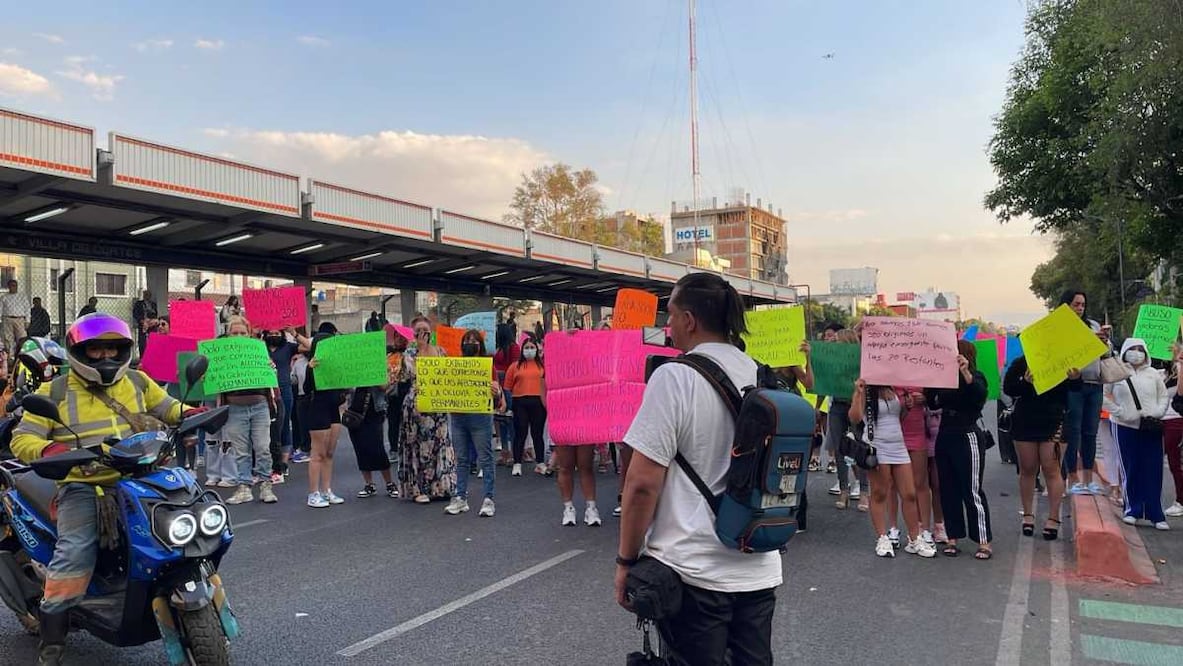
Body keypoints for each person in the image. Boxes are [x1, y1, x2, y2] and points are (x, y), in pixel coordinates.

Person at [617, 273, 778, 665]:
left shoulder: (674, 377)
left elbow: (642, 483)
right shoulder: (762, 374)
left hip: (693, 571)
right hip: (758, 566)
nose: (668, 326)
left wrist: (626, 561)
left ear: (689, 320)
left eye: (670, 315)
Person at [10, 313, 188, 665]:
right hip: (84, 486)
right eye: (96, 350)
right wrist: (49, 449)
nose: (106, 356)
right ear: (79, 352)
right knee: (74, 552)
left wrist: (190, 412)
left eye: (112, 349)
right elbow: (22, 439)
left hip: (141, 477)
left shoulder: (137, 380)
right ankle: (52, 645)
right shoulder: (54, 391)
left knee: (184, 529)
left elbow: (168, 408)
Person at [850, 382, 936, 558]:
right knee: (880, 493)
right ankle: (882, 537)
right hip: (877, 445)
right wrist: (858, 394)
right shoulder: (867, 389)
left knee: (909, 493)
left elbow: (898, 418)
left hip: (898, 445)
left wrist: (907, 407)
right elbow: (855, 417)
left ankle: (914, 539)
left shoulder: (893, 388)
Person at [926, 340, 992, 559]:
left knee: (971, 489)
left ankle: (984, 541)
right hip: (946, 434)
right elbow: (933, 402)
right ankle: (953, 538)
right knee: (948, 489)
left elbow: (979, 395)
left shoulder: (976, 376)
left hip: (967, 434)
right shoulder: (945, 379)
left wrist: (965, 373)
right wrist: (931, 377)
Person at [1004, 355, 1080, 540]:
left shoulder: (1065, 360)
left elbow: (1076, 388)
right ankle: (1028, 515)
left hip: (1054, 419)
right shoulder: (1021, 362)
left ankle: (1053, 518)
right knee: (1027, 468)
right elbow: (1008, 388)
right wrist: (1025, 382)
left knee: (1051, 468)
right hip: (1025, 420)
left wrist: (1075, 378)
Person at [1104, 338, 1170, 529]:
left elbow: (1163, 395)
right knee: (1130, 467)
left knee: (1153, 468)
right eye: (1133, 349)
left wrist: (1158, 412)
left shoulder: (1153, 374)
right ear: (1125, 351)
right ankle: (1132, 509)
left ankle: (1156, 513)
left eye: (1140, 349)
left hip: (1150, 426)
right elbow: (1102, 395)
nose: (1137, 353)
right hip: (1124, 426)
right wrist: (1119, 412)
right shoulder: (1116, 371)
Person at [219, 316, 278, 505]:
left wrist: (271, 368)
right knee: (241, 451)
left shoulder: (258, 351)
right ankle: (244, 487)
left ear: (249, 334)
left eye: (242, 333)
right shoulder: (221, 356)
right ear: (228, 335)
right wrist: (208, 376)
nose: (239, 336)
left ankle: (266, 484)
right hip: (235, 408)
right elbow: (213, 381)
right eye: (234, 333)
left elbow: (272, 379)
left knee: (262, 447)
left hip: (259, 407)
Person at [1058, 290, 1111, 495]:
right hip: (1073, 385)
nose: (1080, 308)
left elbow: (1105, 355)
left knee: (1090, 432)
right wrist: (1087, 341)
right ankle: (1072, 478)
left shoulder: (1093, 325)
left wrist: (1104, 342)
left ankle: (1088, 479)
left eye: (1082, 304)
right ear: (1066, 305)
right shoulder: (1060, 329)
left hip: (1095, 384)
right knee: (1073, 431)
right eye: (1076, 304)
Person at [444, 329, 501, 517]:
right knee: (461, 459)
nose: (470, 343)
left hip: (480, 417)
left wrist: (496, 391)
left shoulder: (488, 366)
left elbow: (497, 395)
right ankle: (460, 497)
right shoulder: (455, 365)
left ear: (480, 345)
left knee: (485, 458)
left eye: (474, 341)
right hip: (458, 417)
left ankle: (488, 499)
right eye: (467, 340)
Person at [398, 316, 456, 503]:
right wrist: (421, 348)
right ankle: (417, 489)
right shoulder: (410, 353)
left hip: (437, 404)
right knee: (416, 445)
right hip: (416, 404)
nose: (423, 334)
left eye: (426, 330)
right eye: (419, 331)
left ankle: (440, 486)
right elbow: (410, 374)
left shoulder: (440, 351)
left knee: (440, 443)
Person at [305, 323, 347, 508]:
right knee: (318, 453)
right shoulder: (312, 365)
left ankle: (326, 490)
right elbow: (306, 388)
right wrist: (310, 369)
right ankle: (313, 493)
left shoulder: (337, 365)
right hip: (318, 407)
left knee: (329, 452)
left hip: (333, 409)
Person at [261, 327, 310, 481]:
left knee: (283, 426)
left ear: (282, 334)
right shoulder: (259, 347)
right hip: (264, 390)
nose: (273, 335)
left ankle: (283, 463)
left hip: (284, 390)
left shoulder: (288, 347)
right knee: (266, 427)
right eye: (270, 333)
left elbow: (309, 346)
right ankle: (269, 462)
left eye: (277, 333)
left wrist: (294, 333)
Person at [504, 337, 547, 477]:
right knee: (520, 432)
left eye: (532, 347)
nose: (529, 350)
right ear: (522, 349)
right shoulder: (514, 366)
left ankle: (540, 462)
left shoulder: (543, 366)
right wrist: (509, 405)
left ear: (537, 349)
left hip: (538, 401)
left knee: (537, 433)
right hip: (519, 401)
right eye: (526, 347)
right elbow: (507, 387)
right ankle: (517, 463)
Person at [347, 384, 398, 499]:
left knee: (377, 447)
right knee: (360, 447)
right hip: (355, 410)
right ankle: (369, 484)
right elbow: (346, 387)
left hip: (375, 410)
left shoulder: (378, 372)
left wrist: (376, 381)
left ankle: (389, 483)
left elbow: (385, 387)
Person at [492, 323, 520, 466]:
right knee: (500, 420)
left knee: (510, 421)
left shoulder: (513, 347)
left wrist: (501, 373)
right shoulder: (496, 348)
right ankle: (504, 451)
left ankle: (514, 453)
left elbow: (515, 366)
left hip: (508, 387)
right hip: (497, 387)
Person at [1163, 344, 1183, 518]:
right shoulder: (1166, 372)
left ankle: (1180, 501)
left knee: (1176, 463)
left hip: (1176, 419)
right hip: (1163, 420)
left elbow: (1180, 393)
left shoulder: (1179, 368)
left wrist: (1180, 363)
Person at [0, 279, 30, 352]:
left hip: (20, 319)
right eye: (12, 285)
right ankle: (10, 355)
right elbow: (0, 309)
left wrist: (27, 321)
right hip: (7, 319)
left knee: (22, 338)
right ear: (8, 286)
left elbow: (27, 309)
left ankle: (23, 354)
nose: (13, 287)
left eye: (15, 286)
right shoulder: (4, 297)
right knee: (7, 339)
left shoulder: (22, 296)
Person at [131, 289, 158, 355]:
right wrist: (141, 320)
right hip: (143, 323)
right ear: (143, 295)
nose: (147, 296)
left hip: (152, 323)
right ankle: (142, 356)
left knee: (153, 340)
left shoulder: (153, 304)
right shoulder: (139, 304)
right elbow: (135, 313)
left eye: (148, 295)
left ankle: (153, 354)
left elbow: (156, 314)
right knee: (142, 341)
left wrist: (152, 321)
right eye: (145, 295)